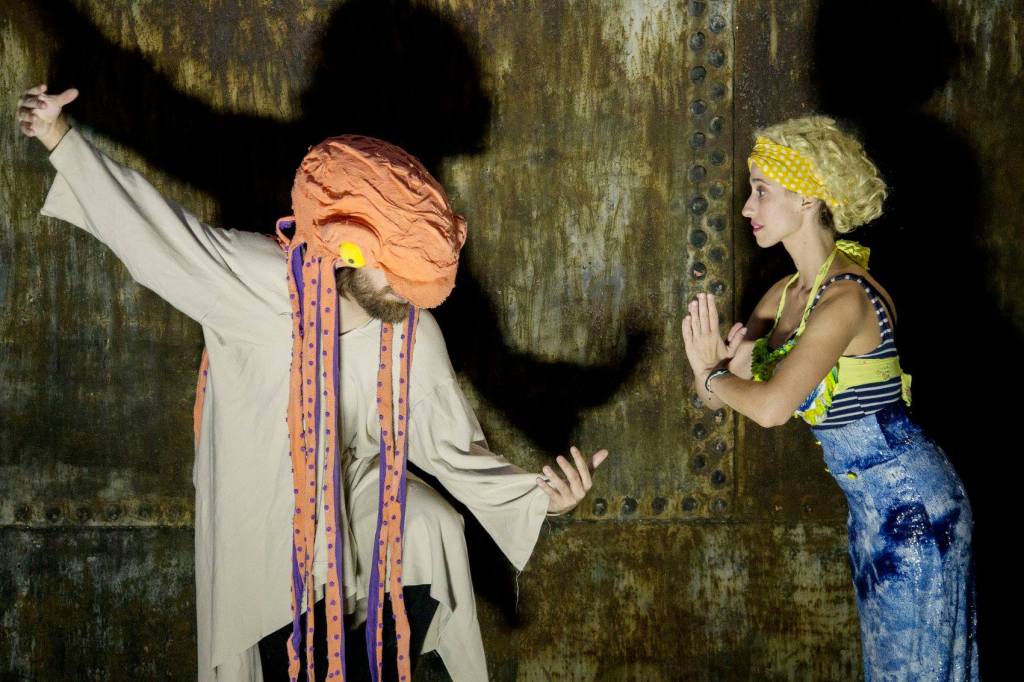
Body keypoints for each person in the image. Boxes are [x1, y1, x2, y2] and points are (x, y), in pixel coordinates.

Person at [17, 84, 609, 682]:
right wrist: (57, 135)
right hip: (269, 515)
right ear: (346, 246)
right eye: (395, 274)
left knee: (430, 527)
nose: (406, 293)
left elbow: (451, 446)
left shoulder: (405, 323)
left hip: (355, 493)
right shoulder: (262, 286)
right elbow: (157, 233)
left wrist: (538, 497)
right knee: (287, 643)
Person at [680, 115, 977, 680]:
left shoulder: (846, 300)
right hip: (870, 511)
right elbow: (719, 398)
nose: (746, 208)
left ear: (808, 198)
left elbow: (769, 408)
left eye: (761, 191)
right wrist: (713, 370)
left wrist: (713, 375)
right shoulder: (784, 294)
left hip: (915, 510)